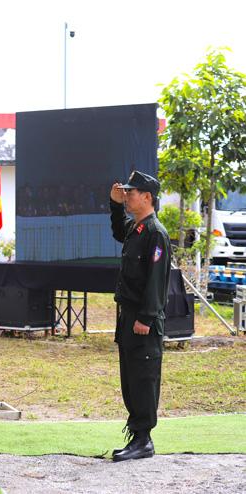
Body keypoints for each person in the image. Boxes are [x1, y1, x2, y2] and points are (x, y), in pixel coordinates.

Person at [109, 171, 171, 462]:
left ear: (147, 197)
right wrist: (114, 204)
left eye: (131, 193)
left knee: (144, 377)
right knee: (131, 377)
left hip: (143, 318)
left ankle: (144, 439)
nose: (127, 195)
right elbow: (119, 230)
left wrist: (145, 318)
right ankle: (137, 436)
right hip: (129, 314)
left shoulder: (156, 232)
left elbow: (157, 281)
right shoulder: (138, 228)